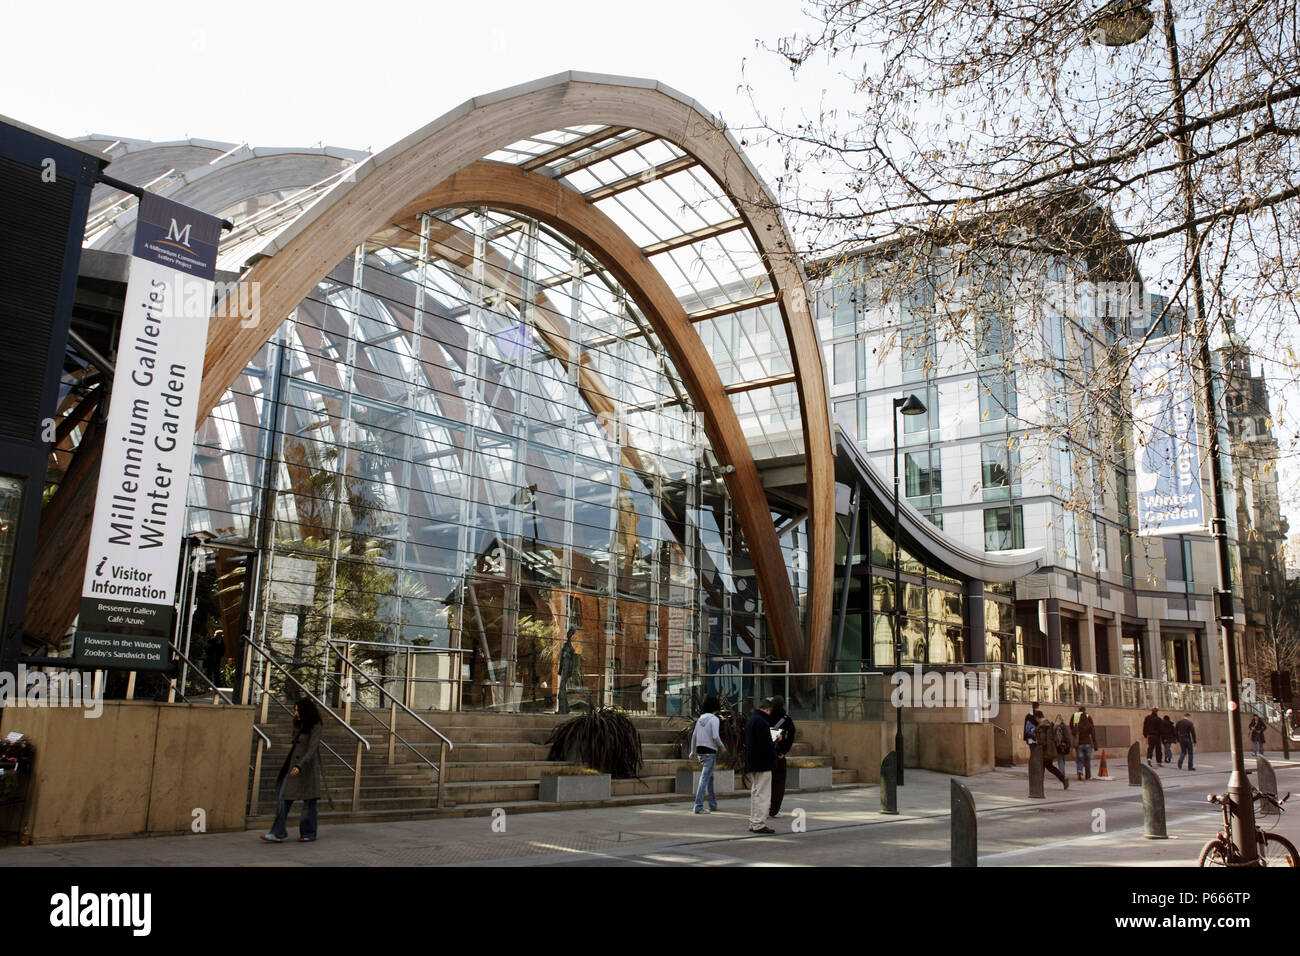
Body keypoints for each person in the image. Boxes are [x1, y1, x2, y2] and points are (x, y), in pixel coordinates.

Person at [262, 697, 324, 843]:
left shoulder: (316, 725)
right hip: (293, 766)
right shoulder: (299, 723)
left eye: (297, 710)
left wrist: (300, 765)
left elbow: (312, 748)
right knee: (283, 798)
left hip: (306, 767)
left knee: (309, 802)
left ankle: (308, 833)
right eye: (294, 710)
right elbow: (294, 740)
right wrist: (297, 724)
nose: (295, 713)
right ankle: (277, 832)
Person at [745, 698, 778, 833]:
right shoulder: (762, 722)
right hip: (763, 762)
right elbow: (766, 744)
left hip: (753, 761)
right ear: (767, 710)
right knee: (763, 793)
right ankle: (759, 823)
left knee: (756, 792)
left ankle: (754, 821)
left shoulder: (751, 720)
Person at [692, 695, 725, 814]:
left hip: (700, 751)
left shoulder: (700, 719)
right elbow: (715, 736)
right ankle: (698, 806)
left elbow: (694, 735)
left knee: (709, 778)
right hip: (710, 751)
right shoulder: (714, 719)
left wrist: (692, 751)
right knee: (705, 778)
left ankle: (712, 804)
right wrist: (722, 747)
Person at [767, 696, 796, 819]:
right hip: (778, 754)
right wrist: (783, 751)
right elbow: (791, 735)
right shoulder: (786, 719)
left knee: (765, 783)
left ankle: (763, 807)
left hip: (766, 754)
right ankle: (774, 809)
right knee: (778, 783)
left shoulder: (766, 717)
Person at [1032, 710, 1068, 789]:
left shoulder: (1042, 726)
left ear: (1037, 717)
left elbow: (1042, 740)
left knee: (1042, 767)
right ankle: (1063, 779)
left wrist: (1037, 739)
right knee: (1049, 767)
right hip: (1049, 749)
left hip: (1045, 751)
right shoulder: (1048, 724)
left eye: (1035, 718)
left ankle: (1039, 785)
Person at [1074, 706, 1097, 780]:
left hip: (1080, 744)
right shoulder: (1089, 725)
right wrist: (1095, 745)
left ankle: (1079, 771)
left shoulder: (1078, 724)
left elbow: (1073, 731)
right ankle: (1088, 775)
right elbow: (1093, 735)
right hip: (1088, 744)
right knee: (1087, 760)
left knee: (1080, 759)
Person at [1052, 713, 1073, 780]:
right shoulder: (1064, 728)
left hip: (1058, 746)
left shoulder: (1054, 728)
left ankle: (1061, 774)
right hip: (1064, 745)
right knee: (1062, 759)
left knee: (1060, 759)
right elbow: (1068, 737)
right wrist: (1069, 745)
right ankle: (1062, 774)